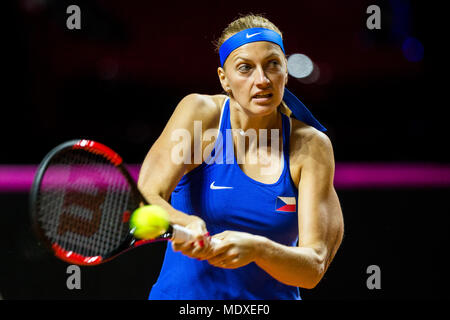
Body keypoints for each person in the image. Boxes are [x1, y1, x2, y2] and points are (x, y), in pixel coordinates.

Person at [138, 14, 344, 300]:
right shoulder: (200, 114)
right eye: (245, 68)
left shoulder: (312, 147)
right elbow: (149, 192)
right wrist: (183, 221)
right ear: (224, 78)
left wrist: (258, 249)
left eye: (272, 64)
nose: (261, 80)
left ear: (285, 70)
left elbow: (313, 268)